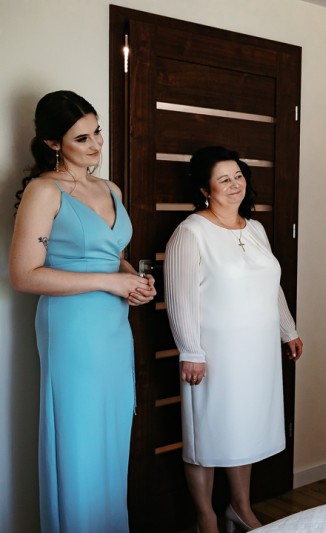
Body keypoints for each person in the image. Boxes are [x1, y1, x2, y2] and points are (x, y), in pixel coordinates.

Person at [9, 90, 156, 532]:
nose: (96, 145)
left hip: (113, 329)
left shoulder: (110, 188)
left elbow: (113, 257)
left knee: (111, 440)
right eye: (81, 138)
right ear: (53, 143)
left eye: (97, 133)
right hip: (73, 330)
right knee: (79, 442)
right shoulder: (43, 191)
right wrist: (110, 282)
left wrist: (133, 281)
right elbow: (24, 276)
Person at [164, 146, 303, 533]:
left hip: (257, 351)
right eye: (223, 179)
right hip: (213, 354)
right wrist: (191, 351)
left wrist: (288, 330)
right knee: (206, 435)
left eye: (238, 176)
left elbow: (272, 285)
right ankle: (206, 517)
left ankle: (240, 508)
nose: (234, 184)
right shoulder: (191, 232)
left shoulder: (255, 229)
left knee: (243, 428)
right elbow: (179, 298)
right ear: (204, 189)